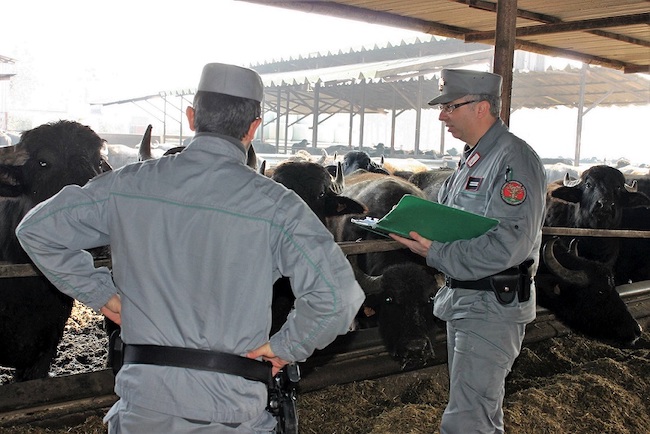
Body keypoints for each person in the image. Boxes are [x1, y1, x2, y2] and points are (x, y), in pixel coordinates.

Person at [16, 62, 365, 433]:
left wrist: (100, 293)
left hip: (141, 411)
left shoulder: (127, 186)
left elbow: (37, 229)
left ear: (192, 117)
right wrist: (287, 347)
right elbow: (339, 297)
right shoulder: (279, 206)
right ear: (253, 128)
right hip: (232, 414)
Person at [389, 69, 546, 434]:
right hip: (466, 299)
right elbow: (451, 221)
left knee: (467, 420)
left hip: (492, 304)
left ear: (482, 107)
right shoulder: (472, 160)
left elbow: (511, 243)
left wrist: (437, 253)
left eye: (450, 106)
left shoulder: (514, 160)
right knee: (475, 413)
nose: (442, 115)